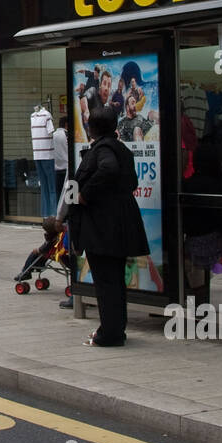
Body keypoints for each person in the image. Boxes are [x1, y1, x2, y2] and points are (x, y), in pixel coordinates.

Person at [70, 107, 149, 347]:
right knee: (114, 281)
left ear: (91, 128)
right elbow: (131, 180)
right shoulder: (121, 149)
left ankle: (110, 334)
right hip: (118, 222)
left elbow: (108, 169)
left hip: (102, 225)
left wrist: (85, 194)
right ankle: (115, 329)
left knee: (106, 281)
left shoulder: (103, 149)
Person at [182, 143, 222, 309]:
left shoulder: (186, 184)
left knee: (197, 281)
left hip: (191, 243)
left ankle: (197, 308)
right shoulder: (214, 186)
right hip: (212, 242)